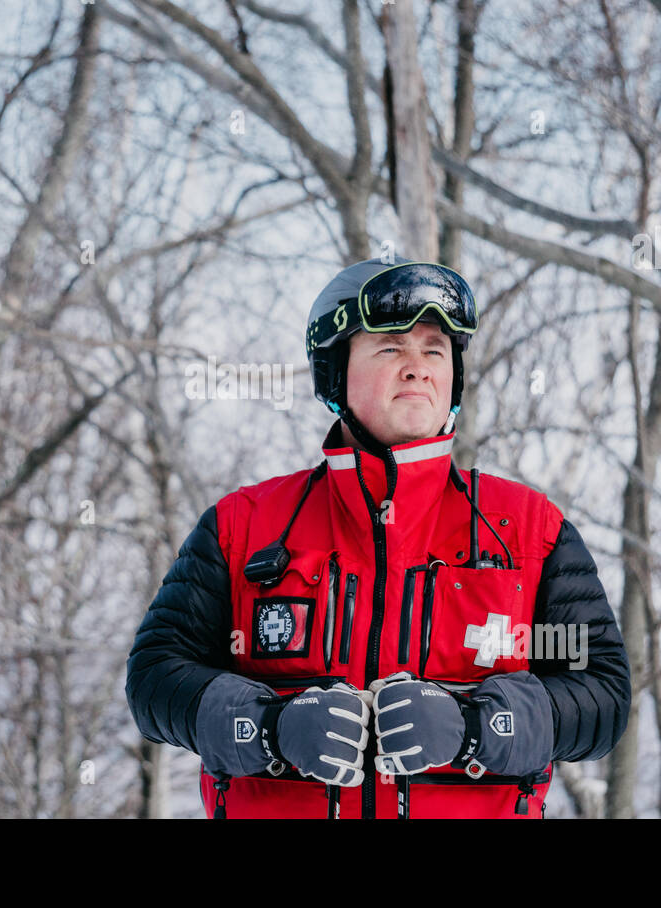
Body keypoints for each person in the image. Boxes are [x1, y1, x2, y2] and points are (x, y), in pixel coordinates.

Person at [125, 256, 631, 818]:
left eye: (434, 350)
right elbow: (155, 679)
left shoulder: (529, 530)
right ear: (335, 373)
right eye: (391, 348)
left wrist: (478, 726)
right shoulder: (243, 526)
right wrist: (266, 727)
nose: (417, 368)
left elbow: (601, 694)